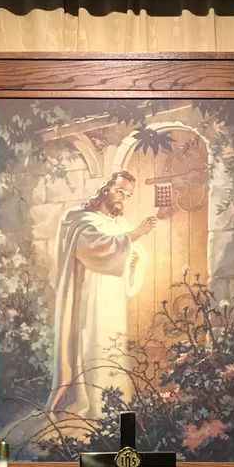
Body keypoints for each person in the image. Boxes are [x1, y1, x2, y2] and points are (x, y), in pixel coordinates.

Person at [47, 171, 157, 427]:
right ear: (105, 188)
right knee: (92, 341)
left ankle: (113, 403)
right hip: (89, 297)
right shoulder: (80, 219)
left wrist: (133, 259)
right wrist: (134, 235)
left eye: (128, 195)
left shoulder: (119, 224)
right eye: (120, 191)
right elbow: (92, 246)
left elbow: (130, 253)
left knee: (112, 344)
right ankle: (92, 403)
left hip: (113, 297)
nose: (123, 198)